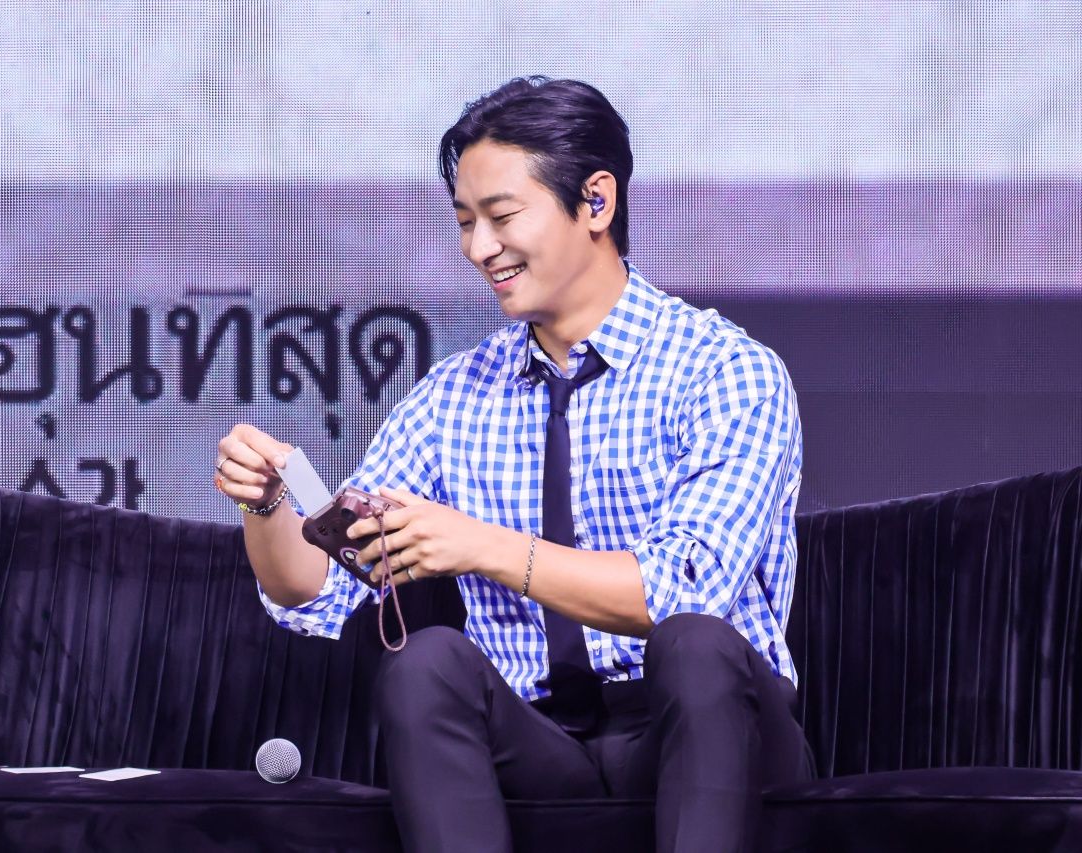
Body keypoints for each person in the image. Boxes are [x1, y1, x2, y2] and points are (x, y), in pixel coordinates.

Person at [215, 76, 813, 853]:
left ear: (595, 202)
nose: (478, 248)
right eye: (465, 221)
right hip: (545, 744)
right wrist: (266, 506)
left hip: (713, 737)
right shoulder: (453, 396)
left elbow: (679, 591)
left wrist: (481, 545)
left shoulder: (724, 369)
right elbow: (315, 590)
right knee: (426, 663)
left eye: (500, 217)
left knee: (694, 644)